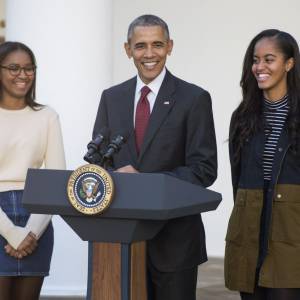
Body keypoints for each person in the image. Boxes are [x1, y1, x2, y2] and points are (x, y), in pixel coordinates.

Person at [93, 14, 217, 300]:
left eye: (157, 44)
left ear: (170, 46)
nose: (149, 54)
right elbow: (100, 160)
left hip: (174, 243)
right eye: (140, 46)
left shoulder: (194, 98)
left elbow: (204, 169)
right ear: (128, 50)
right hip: (120, 240)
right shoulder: (111, 97)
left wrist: (146, 182)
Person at [224, 29, 300, 300]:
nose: (260, 67)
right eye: (256, 60)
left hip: (291, 231)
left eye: (269, 59)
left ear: (289, 64)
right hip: (249, 227)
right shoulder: (243, 116)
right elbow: (237, 180)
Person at [0, 41, 65, 300]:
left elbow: (57, 181)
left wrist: (31, 232)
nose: (23, 74)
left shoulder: (47, 116)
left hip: (36, 216)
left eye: (29, 68)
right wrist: (11, 233)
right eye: (13, 68)